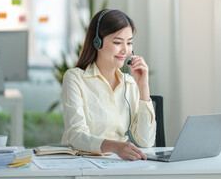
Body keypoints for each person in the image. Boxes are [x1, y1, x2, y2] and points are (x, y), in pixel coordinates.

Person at [61, 9, 156, 161]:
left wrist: (143, 87)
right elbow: (76, 135)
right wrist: (115, 146)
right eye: (118, 42)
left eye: (129, 42)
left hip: (116, 164)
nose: (125, 50)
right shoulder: (75, 78)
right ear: (97, 42)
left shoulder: (129, 83)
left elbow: (146, 141)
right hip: (81, 164)